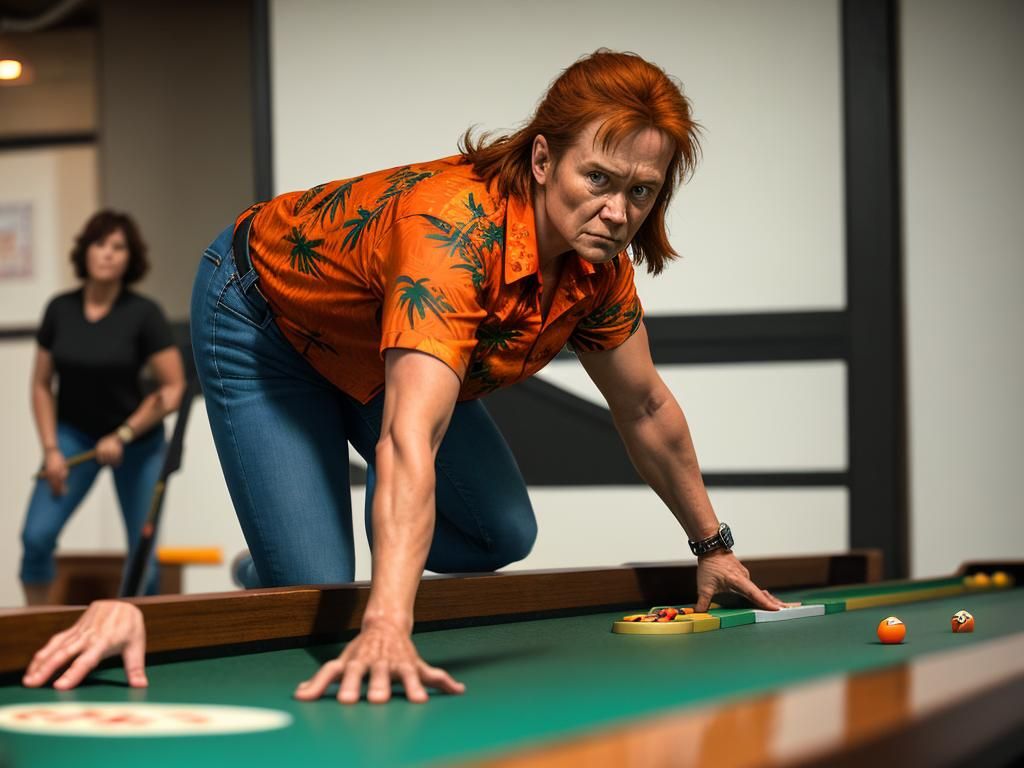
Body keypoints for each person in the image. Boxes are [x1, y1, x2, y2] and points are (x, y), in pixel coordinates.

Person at [23, 50, 794, 699]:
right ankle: (285, 559)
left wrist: (713, 546)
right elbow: (406, 440)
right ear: (542, 159)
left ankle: (292, 552)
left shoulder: (598, 271)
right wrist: (388, 624)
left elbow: (646, 407)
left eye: (640, 191)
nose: (617, 212)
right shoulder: (452, 236)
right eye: (598, 178)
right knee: (323, 590)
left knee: (502, 531)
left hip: (373, 348)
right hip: (262, 320)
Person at [20, 211, 186, 606]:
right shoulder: (59, 310)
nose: (107, 253)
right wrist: (51, 449)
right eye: (100, 244)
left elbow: (174, 387)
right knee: (36, 537)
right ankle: (34, 628)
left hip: (138, 443)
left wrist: (124, 434)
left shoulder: (144, 314)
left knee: (143, 561)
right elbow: (41, 385)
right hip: (74, 437)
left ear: (130, 258)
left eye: (118, 247)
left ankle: (139, 633)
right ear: (85, 251)